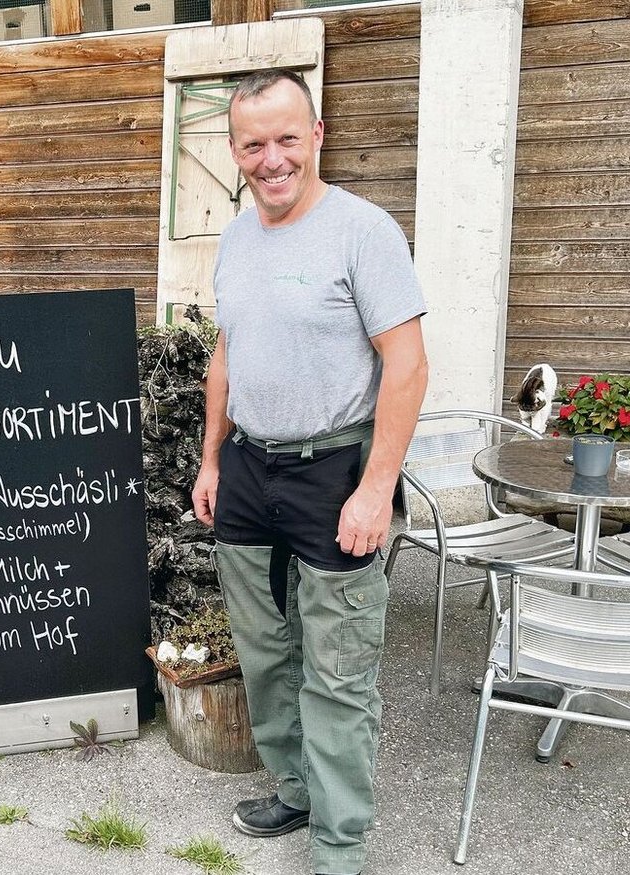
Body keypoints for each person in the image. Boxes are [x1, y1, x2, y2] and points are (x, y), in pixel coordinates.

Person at [191, 69, 428, 875]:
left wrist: (376, 488)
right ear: (234, 151)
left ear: (317, 135)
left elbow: (407, 367)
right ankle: (294, 785)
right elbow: (226, 354)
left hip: (336, 469)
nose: (272, 158)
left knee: (338, 666)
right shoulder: (234, 236)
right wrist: (211, 456)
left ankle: (338, 843)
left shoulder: (363, 231)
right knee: (262, 648)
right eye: (253, 144)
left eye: (287, 138)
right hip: (251, 468)